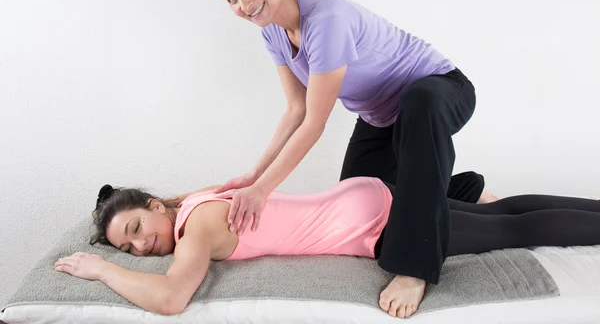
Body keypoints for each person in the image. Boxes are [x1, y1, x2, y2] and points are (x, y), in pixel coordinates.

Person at [203, 0, 498, 311]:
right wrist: (254, 177)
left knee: (418, 103)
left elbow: (315, 124)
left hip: (439, 92)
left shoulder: (327, 20)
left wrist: (263, 191)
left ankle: (416, 268)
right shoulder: (274, 32)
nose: (244, 3)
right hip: (381, 119)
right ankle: (468, 190)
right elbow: (297, 109)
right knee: (361, 209)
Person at [56, 175, 600, 318]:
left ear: (154, 206)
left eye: (133, 230)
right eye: (128, 251)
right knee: (501, 213)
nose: (142, 247)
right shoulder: (197, 200)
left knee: (513, 231)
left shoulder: (194, 229)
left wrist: (104, 272)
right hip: (363, 198)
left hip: (369, 224)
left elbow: (173, 298)